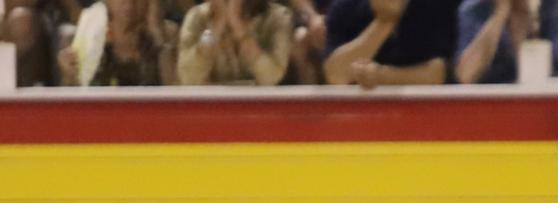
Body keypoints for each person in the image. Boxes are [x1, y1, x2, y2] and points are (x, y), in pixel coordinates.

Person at [322, 0, 456, 86]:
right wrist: (384, 22)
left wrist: (381, 76)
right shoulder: (345, 7)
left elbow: (438, 74)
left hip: (426, 112)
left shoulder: (438, 5)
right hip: (363, 114)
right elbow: (336, 75)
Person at [59, 0, 175, 86]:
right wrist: (69, 76)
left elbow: (175, 98)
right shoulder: (87, 37)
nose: (129, 2)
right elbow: (71, 99)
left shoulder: (166, 36)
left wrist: (156, 34)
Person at [177, 0, 292, 83]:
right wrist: (215, 27)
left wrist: (237, 24)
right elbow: (189, 77)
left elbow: (271, 77)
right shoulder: (196, 16)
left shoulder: (278, 17)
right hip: (211, 104)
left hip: (259, 103)